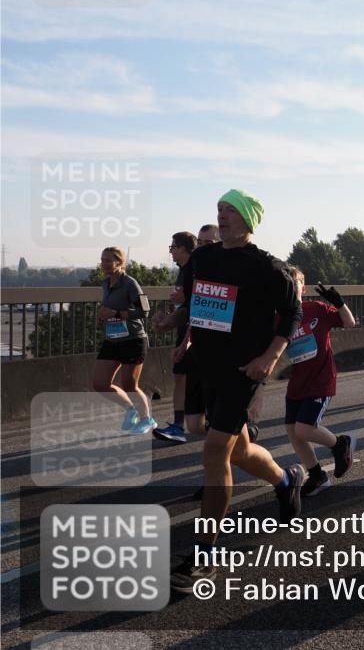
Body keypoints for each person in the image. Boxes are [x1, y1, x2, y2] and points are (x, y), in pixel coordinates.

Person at [170, 189, 304, 593]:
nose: (222, 215)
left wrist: (270, 357)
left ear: (248, 219)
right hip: (205, 364)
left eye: (230, 210)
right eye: (219, 209)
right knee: (239, 450)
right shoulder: (203, 259)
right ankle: (286, 481)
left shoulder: (268, 267)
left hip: (242, 370)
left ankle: (204, 556)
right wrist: (177, 328)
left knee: (215, 451)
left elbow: (293, 314)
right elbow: (196, 304)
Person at [283, 267, 357, 496]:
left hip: (321, 379)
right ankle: (317, 477)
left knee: (304, 428)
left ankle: (340, 444)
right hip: (297, 381)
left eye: (294, 285)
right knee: (293, 431)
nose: (289, 289)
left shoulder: (316, 309)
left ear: (303, 289)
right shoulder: (279, 316)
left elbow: (349, 323)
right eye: (285, 285)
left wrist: (339, 303)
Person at [92, 246, 155, 435]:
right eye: (102, 260)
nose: (103, 264)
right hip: (112, 338)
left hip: (133, 339)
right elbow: (110, 307)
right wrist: (102, 317)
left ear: (119, 262)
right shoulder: (105, 283)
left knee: (129, 385)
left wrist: (117, 314)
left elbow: (145, 311)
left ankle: (147, 419)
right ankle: (130, 409)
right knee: (100, 384)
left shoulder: (130, 283)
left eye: (108, 260)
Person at [151, 232, 198, 443]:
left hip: (197, 332)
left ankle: (233, 424)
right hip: (184, 331)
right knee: (180, 376)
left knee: (198, 379)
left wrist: (187, 339)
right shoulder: (182, 271)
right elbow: (182, 306)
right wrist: (167, 316)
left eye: (173, 247)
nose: (170, 251)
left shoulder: (196, 270)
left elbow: (200, 302)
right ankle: (178, 425)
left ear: (183, 248)